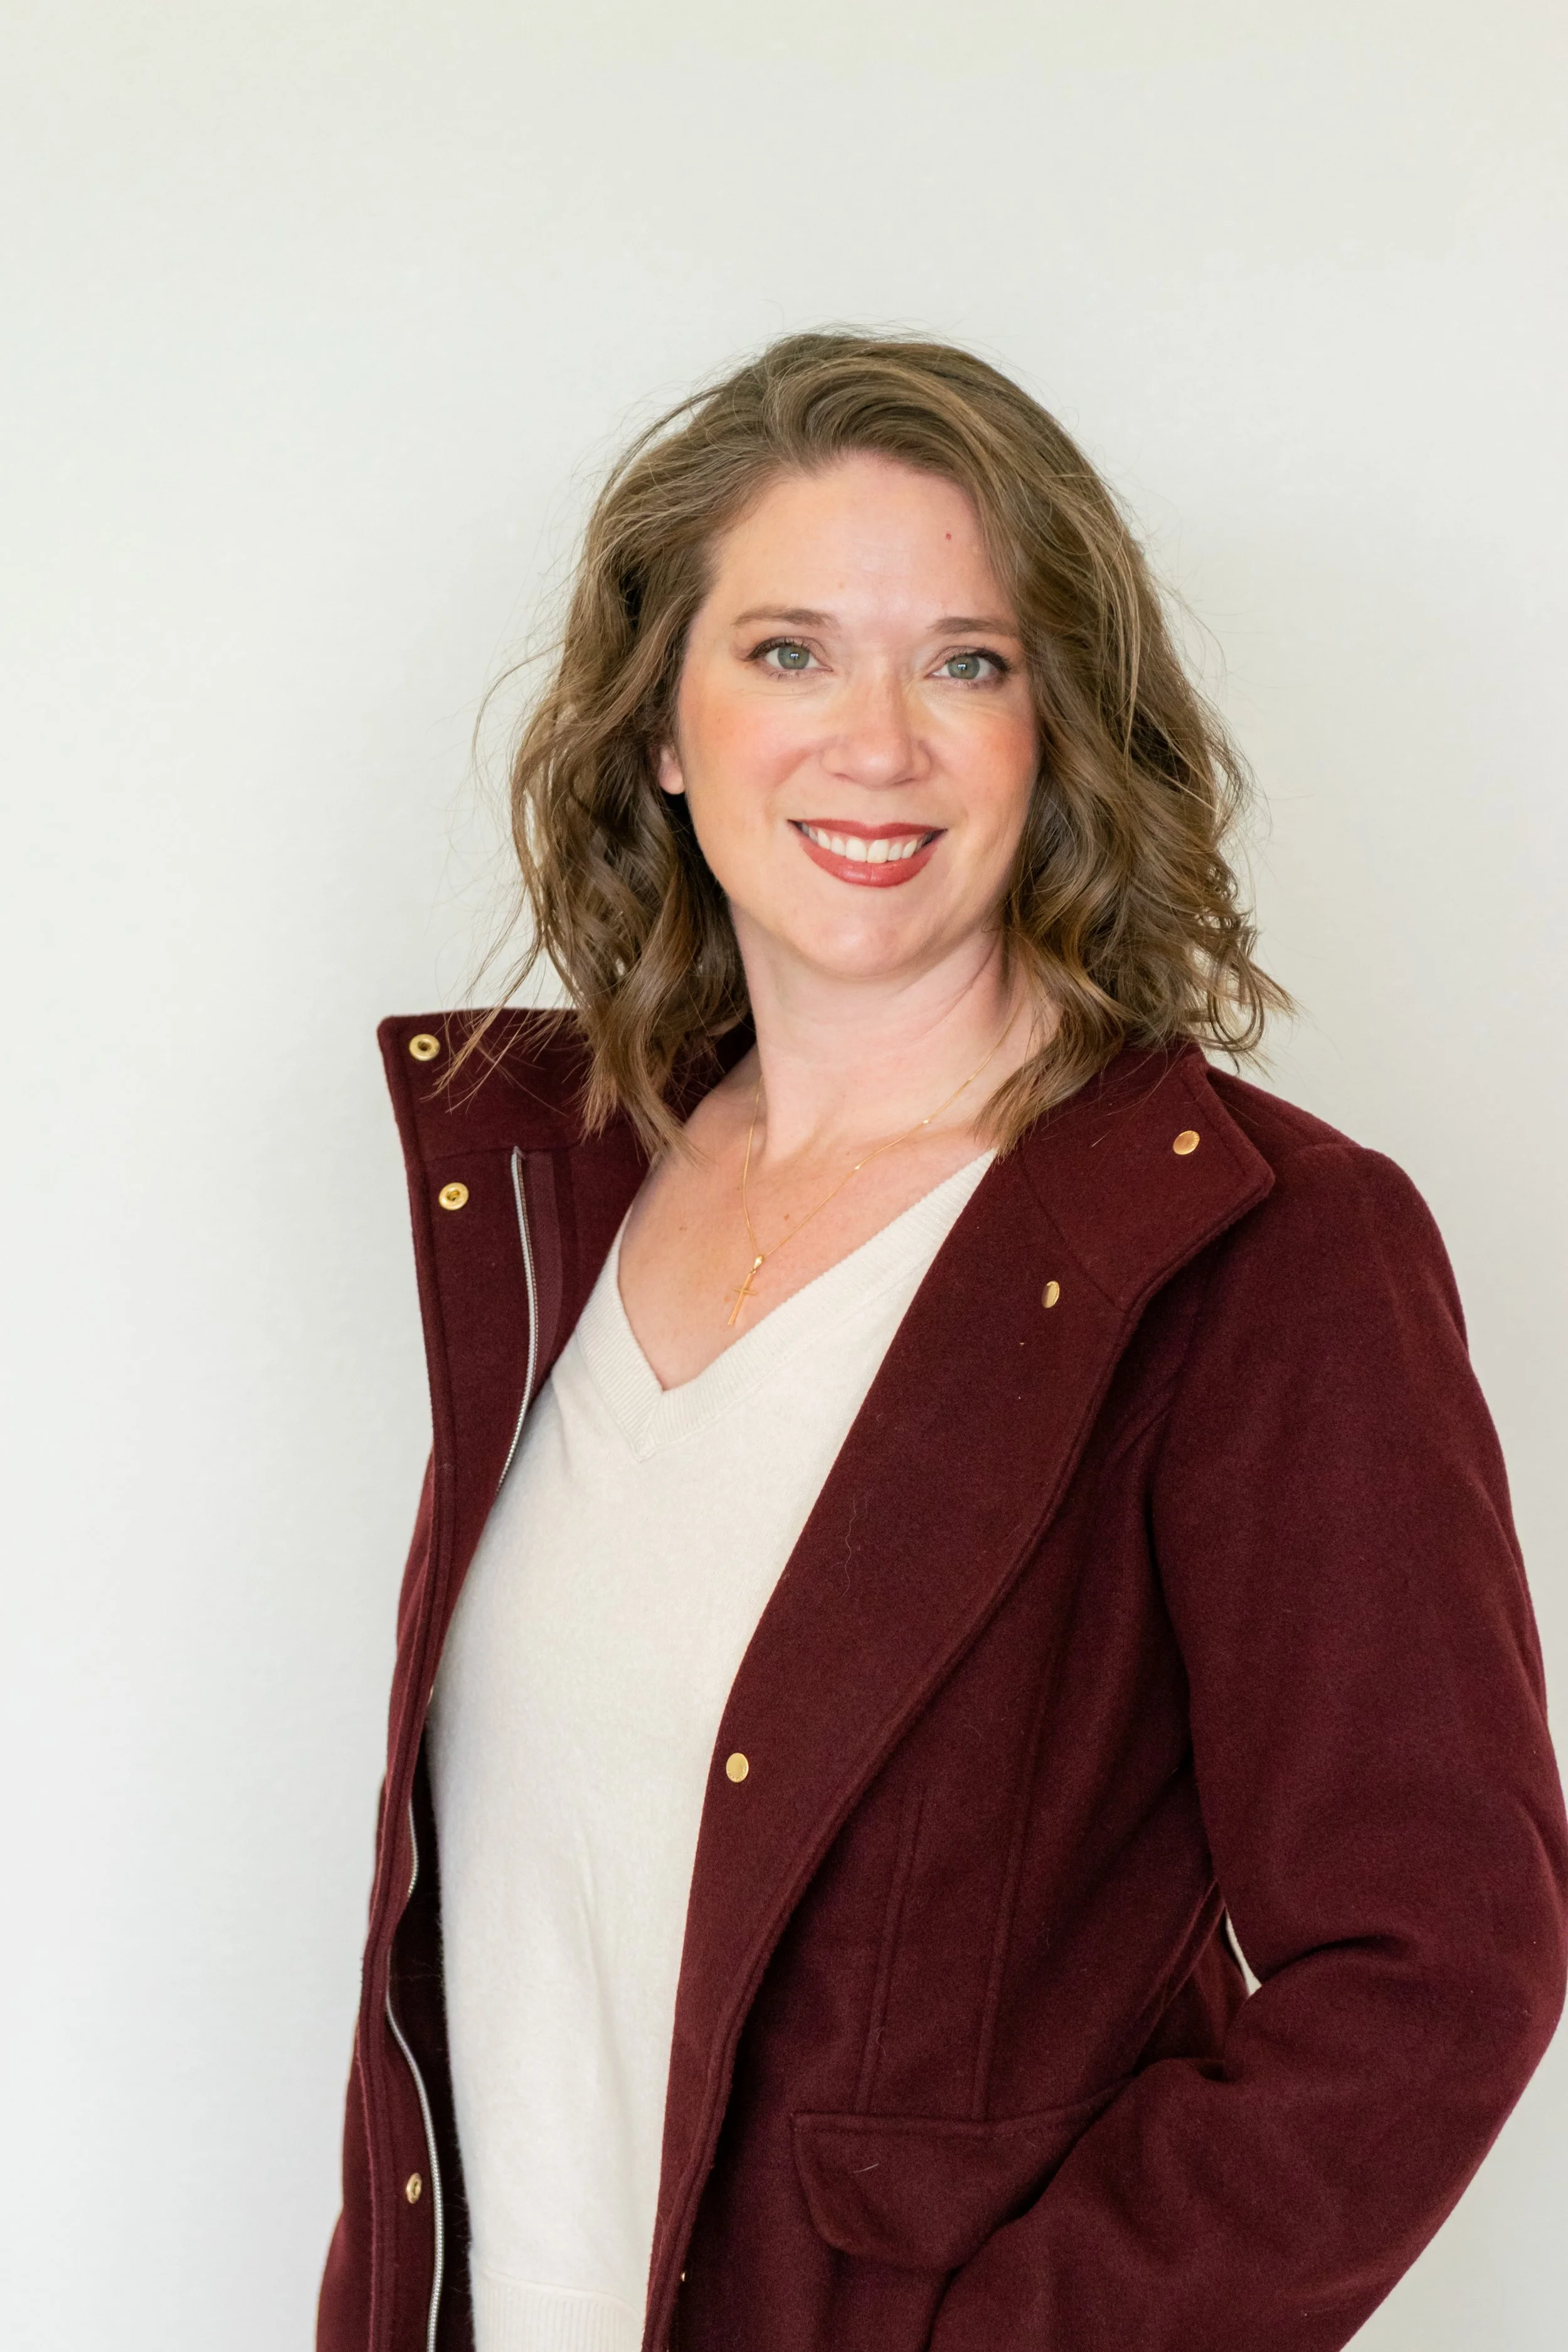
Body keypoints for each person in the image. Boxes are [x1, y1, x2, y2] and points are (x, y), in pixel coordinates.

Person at [317, 332, 1567, 2352]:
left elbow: (1431, 1967)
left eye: (967, 661)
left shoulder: (1249, 1248)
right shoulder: (546, 1200)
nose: (873, 741)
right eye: (789, 652)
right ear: (661, 724)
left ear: (1059, 728)